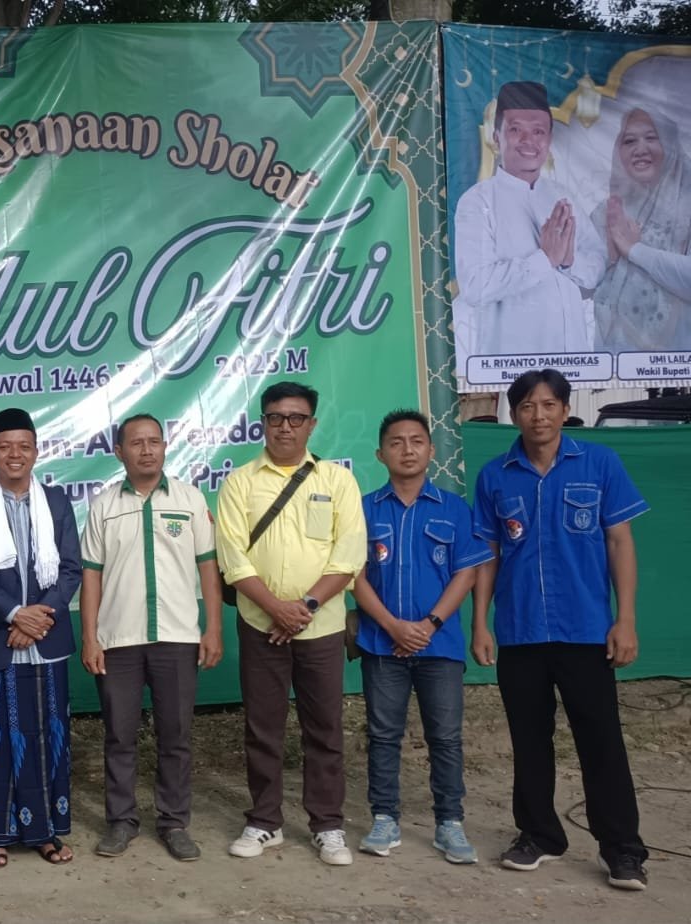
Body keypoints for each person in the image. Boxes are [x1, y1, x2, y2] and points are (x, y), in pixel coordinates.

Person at [471, 368, 650, 890]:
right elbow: (488, 556)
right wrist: (481, 624)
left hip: (587, 631)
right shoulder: (494, 476)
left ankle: (622, 850)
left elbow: (620, 543)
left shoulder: (598, 463)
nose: (538, 415)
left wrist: (626, 620)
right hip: (521, 632)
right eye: (527, 406)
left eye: (549, 405)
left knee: (601, 742)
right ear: (514, 412)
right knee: (529, 742)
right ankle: (539, 836)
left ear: (565, 409)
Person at [217, 381, 365, 867]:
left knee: (323, 728)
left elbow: (349, 556)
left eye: (296, 418)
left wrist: (301, 607)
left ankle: (327, 826)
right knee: (263, 728)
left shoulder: (336, 481)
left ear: (312, 424)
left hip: (320, 629)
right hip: (260, 625)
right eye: (276, 418)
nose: (286, 426)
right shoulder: (239, 482)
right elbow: (233, 558)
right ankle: (265, 821)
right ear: (263, 423)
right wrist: (276, 609)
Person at [80, 413, 223, 861]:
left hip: (178, 637)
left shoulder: (189, 499)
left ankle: (174, 822)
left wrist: (213, 627)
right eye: (136, 443)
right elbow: (91, 577)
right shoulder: (104, 505)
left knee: (175, 734)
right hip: (117, 638)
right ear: (118, 452)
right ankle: (121, 822)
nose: (147, 450)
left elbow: (208, 569)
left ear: (165, 447)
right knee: (119, 735)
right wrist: (90, 637)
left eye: (154, 441)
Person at [351, 410, 491, 865]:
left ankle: (449, 823)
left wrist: (428, 625)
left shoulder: (454, 509)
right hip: (381, 644)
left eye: (416, 441)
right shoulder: (365, 510)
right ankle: (384, 818)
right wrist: (392, 626)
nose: (407, 450)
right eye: (396, 442)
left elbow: (466, 572)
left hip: (440, 645)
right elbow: (353, 575)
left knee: (446, 738)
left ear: (431, 451)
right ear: (380, 453)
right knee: (383, 734)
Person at [0, 408, 83, 870]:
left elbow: (70, 569)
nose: (14, 454)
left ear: (36, 451)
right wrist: (14, 615)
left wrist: (37, 620)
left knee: (48, 736)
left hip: (46, 641)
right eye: (5, 446)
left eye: (23, 446)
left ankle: (45, 832)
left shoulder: (58, 502)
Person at [453, 80, 605, 368]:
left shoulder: (562, 196)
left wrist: (569, 261)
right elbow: (475, 287)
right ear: (496, 137)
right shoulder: (477, 202)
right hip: (512, 365)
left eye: (538, 132)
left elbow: (597, 267)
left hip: (574, 360)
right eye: (515, 130)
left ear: (548, 140)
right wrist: (544, 260)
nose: (528, 141)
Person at [590, 107, 691, 353]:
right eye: (629, 140)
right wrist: (610, 257)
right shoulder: (607, 212)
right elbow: (580, 287)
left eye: (651, 137)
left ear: (670, 147)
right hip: (612, 364)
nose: (640, 149)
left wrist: (635, 251)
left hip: (678, 364)